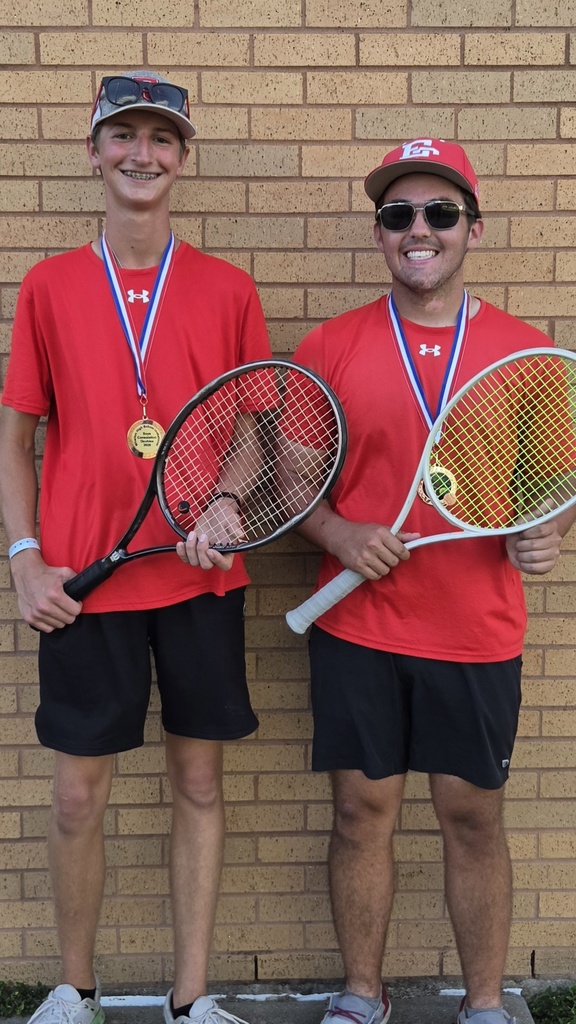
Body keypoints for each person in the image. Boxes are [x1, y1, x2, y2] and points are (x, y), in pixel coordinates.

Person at [0, 71, 272, 1024]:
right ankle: (74, 988)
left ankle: (191, 1000)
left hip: (199, 574)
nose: (142, 154)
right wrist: (26, 556)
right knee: (78, 797)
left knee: (198, 782)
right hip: (81, 582)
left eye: (162, 139)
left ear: (183, 158)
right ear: (94, 152)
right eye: (124, 137)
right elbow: (16, 436)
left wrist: (231, 499)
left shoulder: (230, 288)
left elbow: (248, 422)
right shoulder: (48, 285)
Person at [292, 138, 576, 1024]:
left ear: (472, 230)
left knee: (472, 820)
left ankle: (486, 1004)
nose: (419, 230)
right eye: (398, 214)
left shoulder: (525, 354)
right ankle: (360, 997)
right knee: (358, 816)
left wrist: (548, 537)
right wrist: (338, 533)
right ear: (381, 234)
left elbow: (551, 492)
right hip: (358, 632)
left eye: (439, 214)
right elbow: (295, 485)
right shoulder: (330, 345)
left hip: (475, 632)